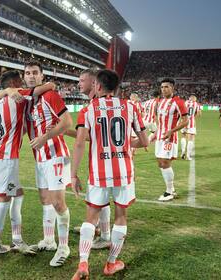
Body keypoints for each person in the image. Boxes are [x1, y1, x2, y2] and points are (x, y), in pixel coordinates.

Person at [71, 70, 148, 279]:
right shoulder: (130, 107)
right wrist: (128, 143)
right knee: (121, 217)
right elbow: (144, 141)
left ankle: (84, 263)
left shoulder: (88, 110)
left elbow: (79, 143)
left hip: (98, 172)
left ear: (97, 86)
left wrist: (73, 174)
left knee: (90, 218)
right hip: (124, 173)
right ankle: (111, 264)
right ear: (117, 88)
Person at [0, 70, 54, 256]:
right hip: (6, 159)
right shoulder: (17, 96)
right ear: (15, 83)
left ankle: (17, 239)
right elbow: (44, 88)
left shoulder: (0, 102)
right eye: (20, 81)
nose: (23, 83)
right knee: (3, 200)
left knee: (18, 194)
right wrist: (50, 85)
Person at [24, 61, 73, 267]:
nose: (31, 76)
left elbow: (67, 122)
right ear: (24, 77)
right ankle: (49, 240)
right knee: (45, 200)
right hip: (40, 158)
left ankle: (64, 247)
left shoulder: (50, 96)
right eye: (28, 73)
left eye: (35, 73)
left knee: (58, 202)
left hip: (56, 156)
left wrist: (45, 137)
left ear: (42, 76)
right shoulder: (29, 101)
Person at [66, 68, 111, 250]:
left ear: (94, 83)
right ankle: (99, 229)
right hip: (107, 159)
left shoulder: (95, 106)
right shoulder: (98, 103)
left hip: (104, 161)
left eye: (82, 80)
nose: (79, 83)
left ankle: (104, 234)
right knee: (102, 197)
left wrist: (62, 130)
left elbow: (90, 138)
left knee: (99, 197)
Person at [154, 78, 188, 202]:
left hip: (169, 137)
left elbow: (186, 121)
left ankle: (169, 192)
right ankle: (171, 189)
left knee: (165, 162)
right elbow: (159, 120)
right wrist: (156, 133)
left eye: (166, 87)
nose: (163, 89)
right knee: (160, 163)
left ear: (172, 88)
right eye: (162, 87)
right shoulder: (160, 101)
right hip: (159, 137)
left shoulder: (178, 102)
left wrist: (171, 131)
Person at [180, 95, 201, 160]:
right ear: (194, 99)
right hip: (191, 122)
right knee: (191, 138)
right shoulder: (196, 104)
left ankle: (183, 151)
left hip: (183, 121)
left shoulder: (185, 102)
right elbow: (199, 114)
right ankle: (188, 156)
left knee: (183, 136)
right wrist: (194, 117)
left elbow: (180, 112)